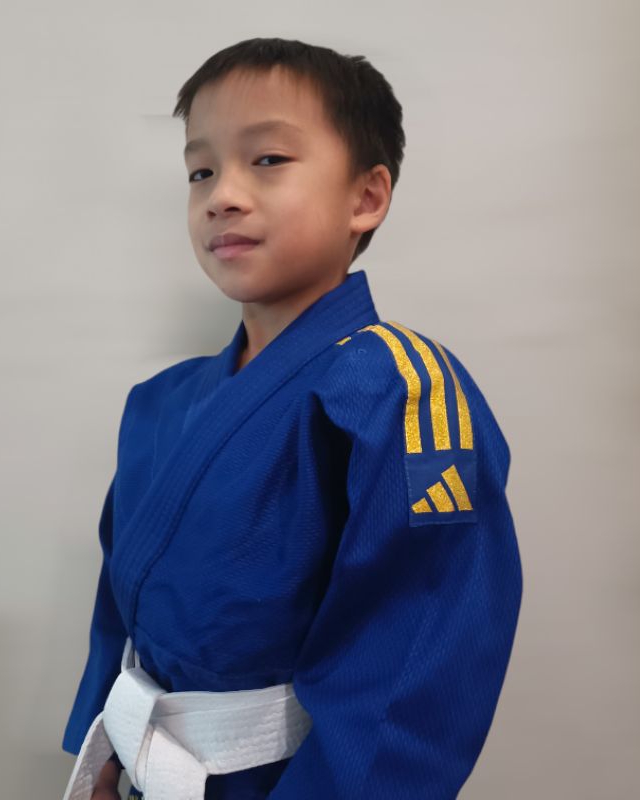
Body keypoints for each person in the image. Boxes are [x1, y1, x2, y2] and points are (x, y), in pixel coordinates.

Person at [61, 37, 523, 800]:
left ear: (365, 198)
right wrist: (101, 745)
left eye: (268, 159)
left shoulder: (398, 390)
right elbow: (120, 611)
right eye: (201, 171)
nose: (223, 195)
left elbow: (416, 657)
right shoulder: (160, 403)